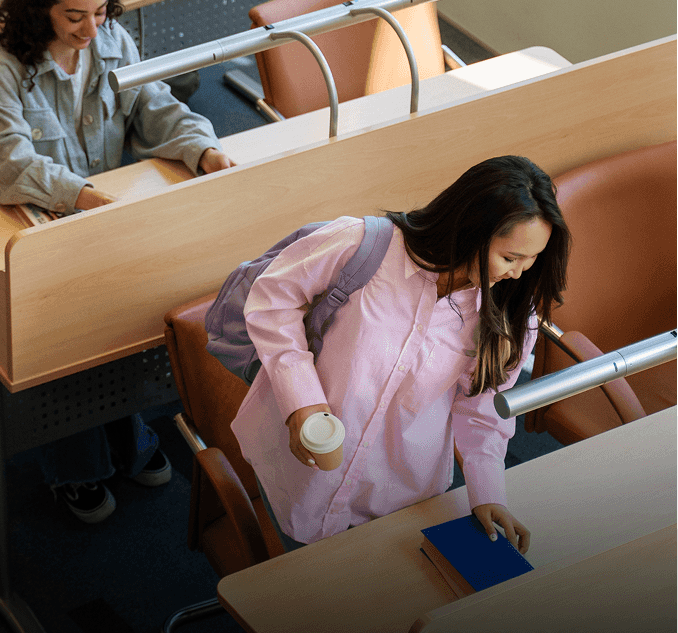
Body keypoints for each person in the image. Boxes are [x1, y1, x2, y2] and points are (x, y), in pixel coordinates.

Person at [0, 0, 235, 523]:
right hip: (27, 216)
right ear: (39, 7)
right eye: (74, 16)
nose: (91, 30)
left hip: (103, 207)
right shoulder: (4, 66)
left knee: (136, 305)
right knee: (66, 327)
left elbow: (155, 107)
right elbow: (9, 164)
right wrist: (82, 195)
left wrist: (204, 150)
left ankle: (127, 433)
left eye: (100, 12)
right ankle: (78, 463)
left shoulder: (112, 40)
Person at [231, 156, 571, 551]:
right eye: (510, 257)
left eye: (533, 260)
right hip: (297, 470)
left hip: (400, 494)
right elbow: (272, 301)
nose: (519, 273)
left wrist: (488, 494)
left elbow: (482, 411)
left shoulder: (513, 312)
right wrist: (301, 401)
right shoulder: (364, 246)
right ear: (470, 230)